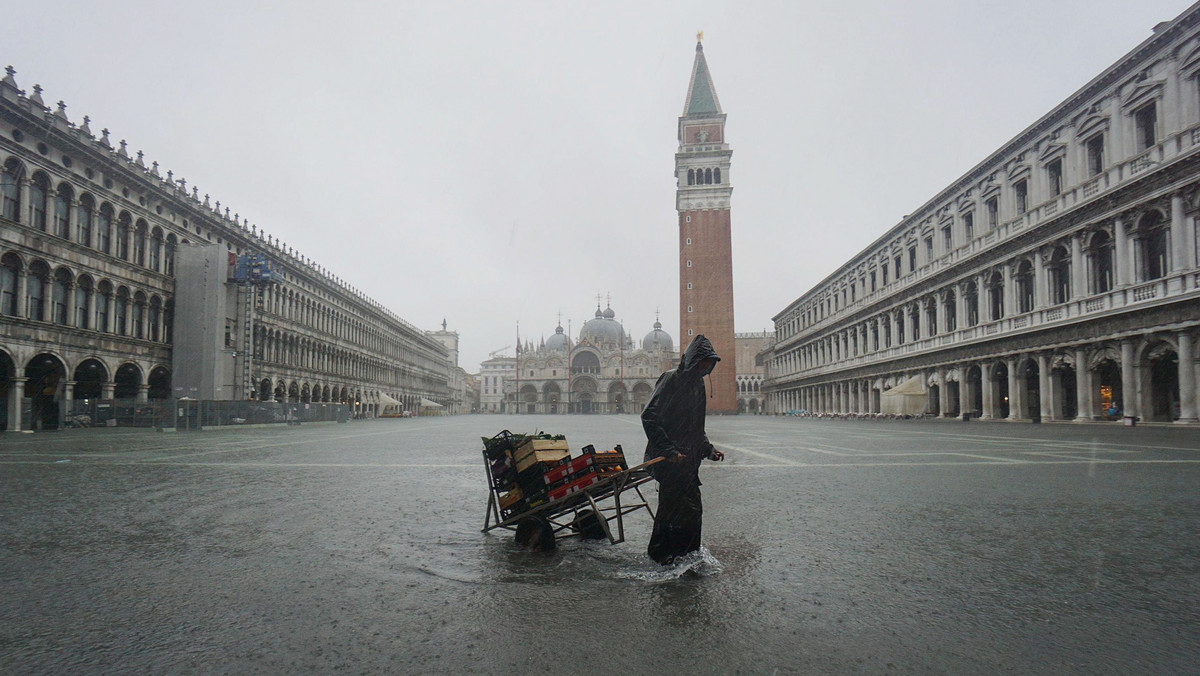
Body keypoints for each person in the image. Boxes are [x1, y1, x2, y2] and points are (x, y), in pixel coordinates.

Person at [641, 334, 726, 564]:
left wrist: (708, 449)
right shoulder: (670, 380)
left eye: (709, 365)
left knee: (692, 510)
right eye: (703, 363)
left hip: (688, 462)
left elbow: (697, 426)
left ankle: (688, 555)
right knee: (671, 511)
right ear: (692, 360)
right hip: (669, 462)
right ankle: (662, 556)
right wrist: (669, 450)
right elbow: (649, 416)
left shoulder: (698, 385)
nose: (706, 369)